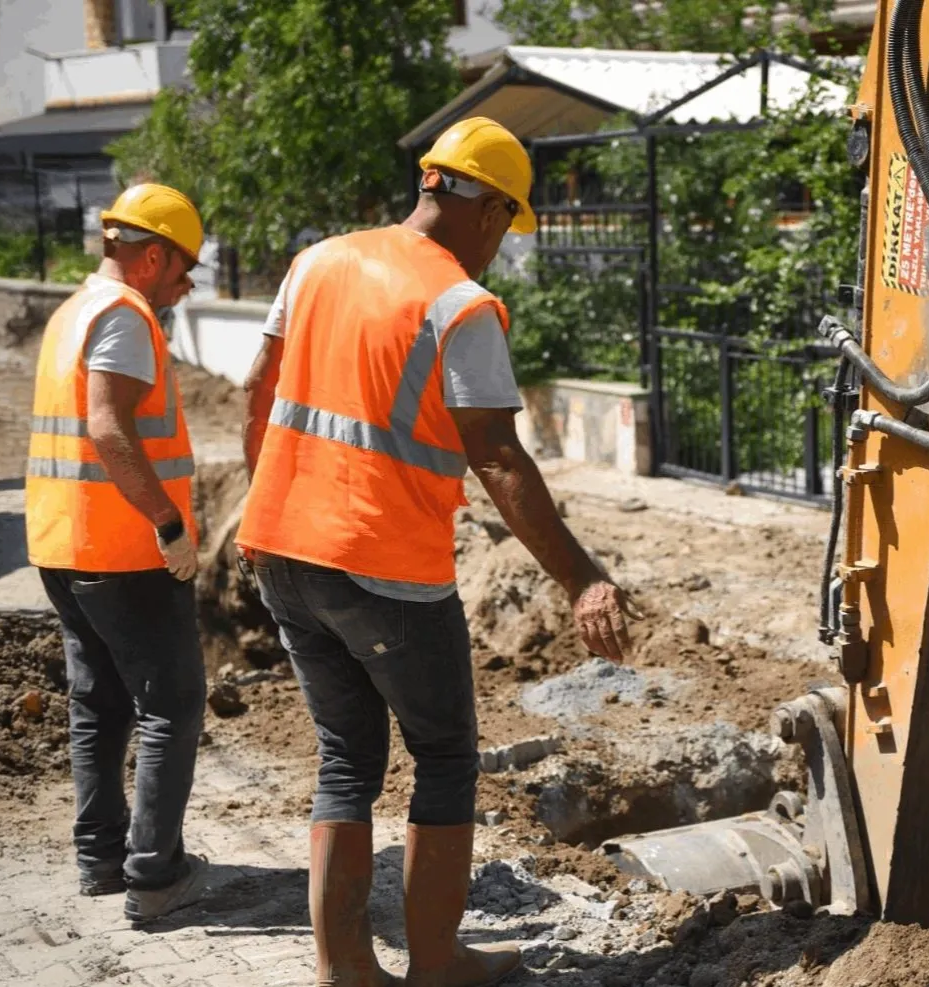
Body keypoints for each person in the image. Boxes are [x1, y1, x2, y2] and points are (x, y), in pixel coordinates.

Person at [237, 116, 641, 987]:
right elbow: (494, 454)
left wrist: (261, 503)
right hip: (380, 564)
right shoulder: (459, 303)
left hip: (280, 548)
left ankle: (345, 968)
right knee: (446, 754)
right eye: (508, 221)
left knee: (346, 755)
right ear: (489, 208)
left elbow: (258, 389)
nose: (501, 242)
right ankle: (436, 964)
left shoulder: (316, 261)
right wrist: (583, 578)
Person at [25, 183, 210, 924]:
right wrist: (168, 524)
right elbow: (108, 428)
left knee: (98, 703)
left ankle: (101, 859)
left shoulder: (72, 310)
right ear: (154, 255)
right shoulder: (126, 316)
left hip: (61, 542)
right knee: (172, 704)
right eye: (184, 268)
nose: (187, 283)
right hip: (122, 547)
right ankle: (155, 874)